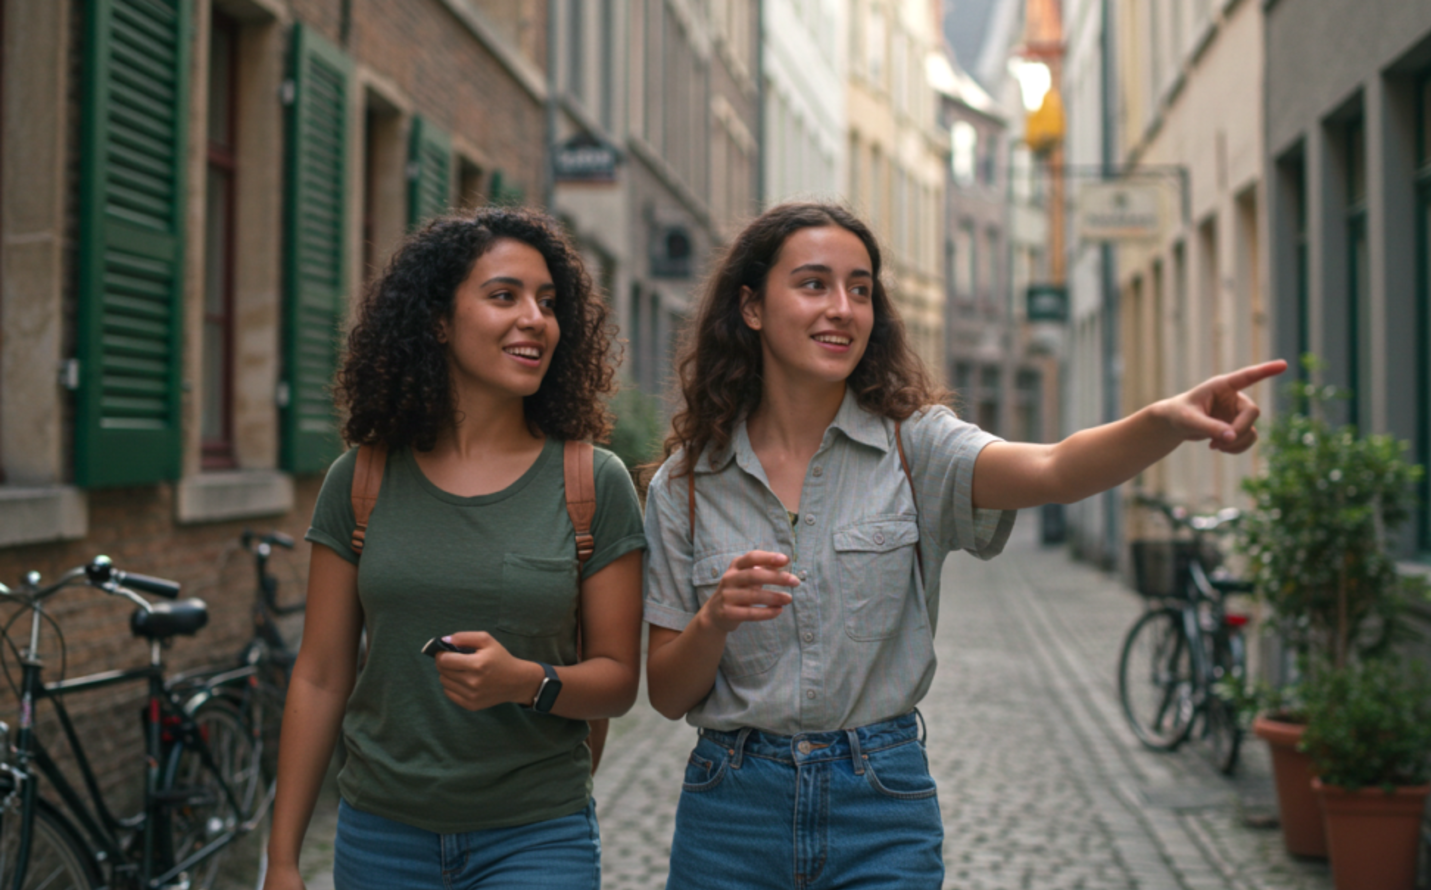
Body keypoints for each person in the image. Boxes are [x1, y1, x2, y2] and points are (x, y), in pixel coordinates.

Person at [641, 202, 1284, 890]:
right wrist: (714, 621)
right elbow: (669, 692)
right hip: (732, 813)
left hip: (879, 807)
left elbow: (1055, 469)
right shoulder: (687, 485)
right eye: (813, 284)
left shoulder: (916, 445)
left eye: (860, 289)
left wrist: (1164, 421)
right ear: (752, 307)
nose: (842, 308)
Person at [265, 208, 646, 890]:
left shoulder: (592, 483)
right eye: (505, 296)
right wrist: (284, 860)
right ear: (438, 320)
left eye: (549, 302)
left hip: (536, 838)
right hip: (381, 838)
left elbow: (617, 679)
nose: (535, 318)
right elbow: (321, 675)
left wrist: (526, 681)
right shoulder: (361, 480)